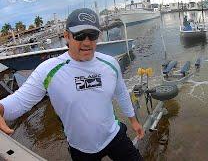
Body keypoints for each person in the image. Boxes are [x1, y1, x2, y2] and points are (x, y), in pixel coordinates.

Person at [0, 8, 144, 161]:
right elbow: (20, 101)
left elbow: (121, 92)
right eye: (80, 35)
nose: (87, 42)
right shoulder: (49, 70)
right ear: (66, 36)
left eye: (92, 35)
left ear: (98, 36)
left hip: (114, 136)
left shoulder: (110, 63)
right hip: (81, 149)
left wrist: (134, 121)